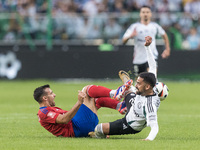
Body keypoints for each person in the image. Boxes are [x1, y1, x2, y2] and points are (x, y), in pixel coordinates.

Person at [89, 36, 161, 141]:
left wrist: (148, 139)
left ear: (147, 86)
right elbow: (153, 66)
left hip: (130, 123)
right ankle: (121, 99)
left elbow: (155, 127)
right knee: (129, 90)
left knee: (98, 128)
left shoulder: (150, 105)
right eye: (137, 82)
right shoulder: (149, 86)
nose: (137, 85)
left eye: (139, 83)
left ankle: (123, 98)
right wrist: (147, 47)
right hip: (134, 103)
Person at [33, 80, 132, 137]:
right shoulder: (43, 112)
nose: (54, 95)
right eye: (51, 93)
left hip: (81, 128)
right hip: (77, 128)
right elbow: (64, 120)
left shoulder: (48, 110)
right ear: (44, 98)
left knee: (97, 100)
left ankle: (120, 106)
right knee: (86, 90)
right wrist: (79, 102)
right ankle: (115, 93)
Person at [122, 5, 170, 77]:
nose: (145, 14)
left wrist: (167, 49)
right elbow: (124, 40)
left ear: (150, 14)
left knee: (152, 77)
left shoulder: (155, 26)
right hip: (138, 58)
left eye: (147, 12)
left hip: (152, 56)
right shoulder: (134, 27)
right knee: (139, 84)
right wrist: (130, 36)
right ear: (140, 14)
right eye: (143, 12)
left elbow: (165, 35)